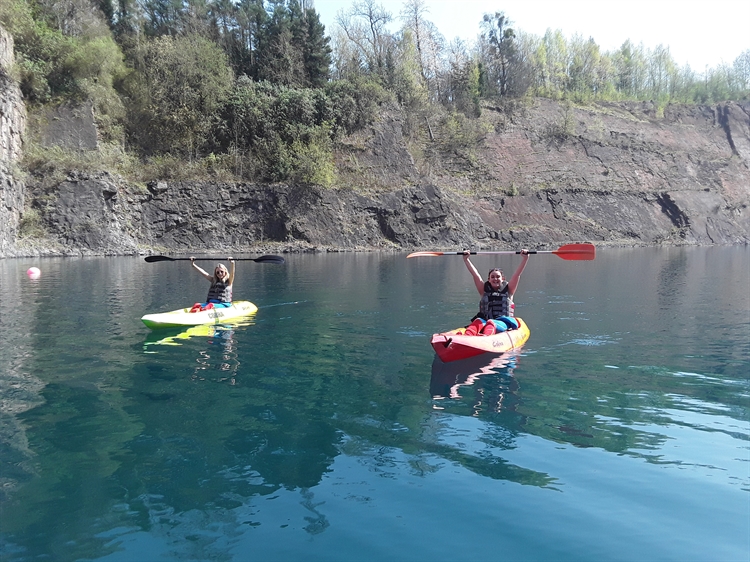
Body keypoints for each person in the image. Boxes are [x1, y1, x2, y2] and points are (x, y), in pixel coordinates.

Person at [462, 249, 529, 335]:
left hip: (503, 322)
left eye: (498, 277)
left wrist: (525, 259)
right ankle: (467, 336)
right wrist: (466, 259)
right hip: (484, 321)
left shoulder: (509, 290)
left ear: (502, 279)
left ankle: (486, 337)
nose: (495, 279)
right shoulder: (483, 290)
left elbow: (517, 274)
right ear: (489, 279)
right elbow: (475, 275)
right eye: (492, 277)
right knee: (478, 321)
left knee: (491, 323)